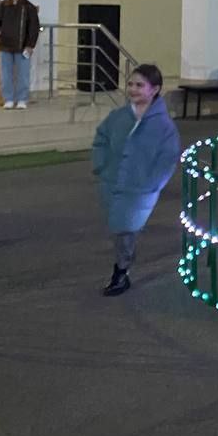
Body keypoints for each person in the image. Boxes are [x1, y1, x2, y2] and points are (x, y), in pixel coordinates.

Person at [91, 64, 181, 296]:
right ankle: (122, 269)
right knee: (119, 230)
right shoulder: (118, 117)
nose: (133, 89)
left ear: (155, 89)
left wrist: (152, 184)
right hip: (112, 183)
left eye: (140, 85)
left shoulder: (163, 126)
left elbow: (168, 158)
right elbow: (100, 139)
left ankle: (121, 271)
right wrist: (101, 165)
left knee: (125, 229)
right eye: (130, 84)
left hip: (140, 189)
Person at [0, 0, 39, 110]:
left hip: (23, 46)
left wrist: (30, 45)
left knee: (23, 74)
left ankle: (22, 99)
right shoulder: (2, 6)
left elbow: (33, 28)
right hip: (5, 46)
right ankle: (8, 99)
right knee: (6, 74)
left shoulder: (28, 8)